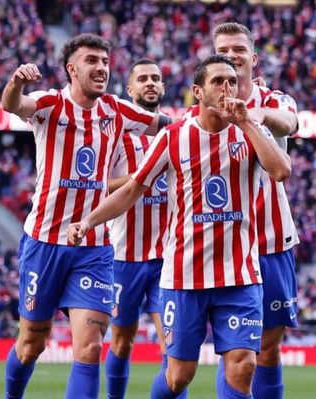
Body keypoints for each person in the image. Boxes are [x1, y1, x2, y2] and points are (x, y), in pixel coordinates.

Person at [68, 55, 291, 399]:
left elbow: (281, 171)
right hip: (185, 276)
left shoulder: (249, 131)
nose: (227, 88)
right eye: (218, 81)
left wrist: (247, 122)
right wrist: (88, 220)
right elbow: (132, 190)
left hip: (240, 275)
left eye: (232, 81)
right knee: (178, 377)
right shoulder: (174, 137)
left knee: (244, 365)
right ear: (198, 91)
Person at [0, 33, 171, 399]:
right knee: (32, 343)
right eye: (91, 60)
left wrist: (217, 115)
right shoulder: (50, 104)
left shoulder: (116, 110)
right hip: (45, 242)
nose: (101, 68)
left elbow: (168, 124)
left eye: (105, 62)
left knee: (90, 348)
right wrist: (15, 82)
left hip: (94, 248)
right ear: (71, 69)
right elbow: (13, 105)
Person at [211, 22, 300, 399]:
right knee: (235, 350)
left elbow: (290, 123)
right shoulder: (204, 112)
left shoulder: (275, 100)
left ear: (254, 58)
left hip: (272, 242)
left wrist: (255, 115)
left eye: (239, 49)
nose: (232, 56)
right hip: (225, 247)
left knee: (268, 348)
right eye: (223, 50)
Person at [104, 59, 186, 399]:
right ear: (130, 89)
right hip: (125, 258)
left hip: (168, 259)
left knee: (173, 348)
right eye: (143, 79)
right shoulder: (117, 135)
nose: (150, 83)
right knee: (122, 342)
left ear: (163, 87)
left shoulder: (179, 134)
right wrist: (140, 178)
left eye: (155, 78)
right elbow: (99, 184)